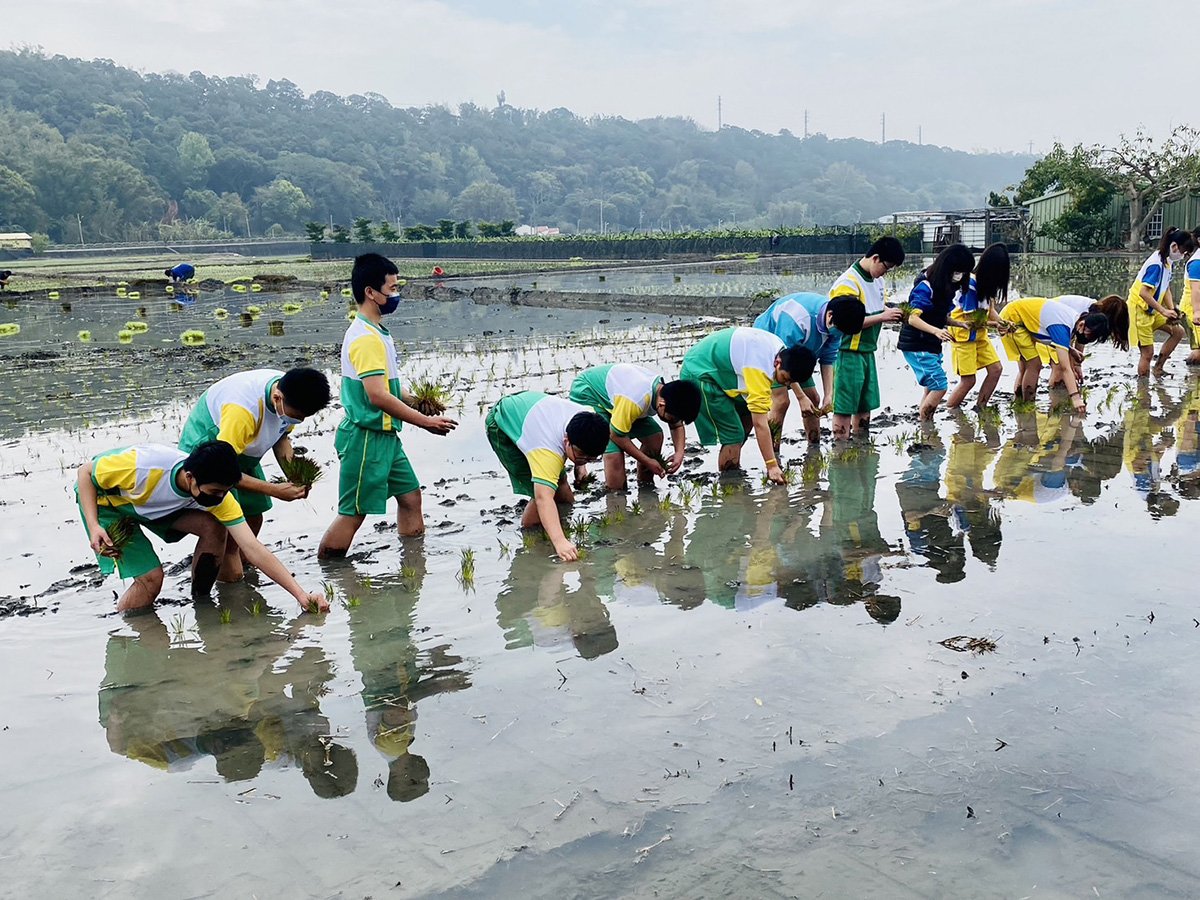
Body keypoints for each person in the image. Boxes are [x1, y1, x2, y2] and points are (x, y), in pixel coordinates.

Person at [75, 440, 328, 614]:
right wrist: (94, 524)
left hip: (152, 506)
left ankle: (201, 602)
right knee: (151, 579)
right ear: (190, 478)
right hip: (107, 504)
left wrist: (302, 596)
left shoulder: (220, 496)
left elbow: (251, 546)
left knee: (215, 527)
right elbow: (85, 473)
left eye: (225, 491)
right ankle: (125, 629)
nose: (219, 497)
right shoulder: (142, 467)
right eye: (214, 491)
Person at [318, 253, 457, 558]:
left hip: (385, 437)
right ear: (371, 292)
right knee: (354, 512)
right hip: (366, 437)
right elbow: (376, 396)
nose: (396, 295)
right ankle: (332, 571)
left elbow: (388, 386)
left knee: (410, 497)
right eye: (392, 289)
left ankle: (413, 562)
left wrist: (418, 402)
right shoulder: (365, 338)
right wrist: (425, 422)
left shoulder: (378, 333)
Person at [179, 367, 331, 581]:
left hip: (243, 451)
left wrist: (295, 475)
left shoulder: (291, 392)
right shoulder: (242, 411)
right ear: (277, 397)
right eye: (297, 417)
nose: (299, 421)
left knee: (253, 517)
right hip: (210, 458)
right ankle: (228, 584)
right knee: (229, 532)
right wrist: (274, 490)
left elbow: (281, 438)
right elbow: (221, 470)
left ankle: (241, 566)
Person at [678, 326, 817, 483]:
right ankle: (729, 486)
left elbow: (755, 417)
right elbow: (760, 423)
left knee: (746, 418)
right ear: (778, 363)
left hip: (722, 370)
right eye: (785, 378)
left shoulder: (781, 350)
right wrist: (771, 465)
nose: (785, 383)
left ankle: (733, 466)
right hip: (701, 374)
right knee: (733, 434)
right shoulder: (761, 369)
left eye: (790, 382)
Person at [485, 390, 610, 562]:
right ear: (566, 441)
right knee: (537, 492)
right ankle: (531, 537)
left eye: (592, 458)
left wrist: (581, 465)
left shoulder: (590, 419)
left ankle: (562, 521)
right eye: (582, 455)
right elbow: (543, 498)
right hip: (503, 423)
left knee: (560, 482)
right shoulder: (546, 452)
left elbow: (585, 449)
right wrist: (560, 542)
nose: (586, 460)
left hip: (532, 409)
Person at [567, 364, 701, 491]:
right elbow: (616, 434)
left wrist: (679, 453)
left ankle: (645, 486)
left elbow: (676, 425)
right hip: (590, 394)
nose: (673, 422)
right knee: (614, 454)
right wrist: (647, 461)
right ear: (662, 404)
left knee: (655, 437)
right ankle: (615, 496)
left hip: (618, 403)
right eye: (671, 418)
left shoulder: (666, 395)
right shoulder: (636, 399)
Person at [752, 291, 865, 442]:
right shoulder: (797, 319)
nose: (839, 335)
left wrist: (829, 395)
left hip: (799, 355)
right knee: (781, 401)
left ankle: (814, 448)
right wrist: (800, 397)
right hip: (770, 353)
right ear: (830, 315)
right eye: (839, 331)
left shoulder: (838, 325)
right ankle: (774, 453)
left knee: (813, 399)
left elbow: (828, 359)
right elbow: (785, 361)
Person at [830, 236, 906, 439]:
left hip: (867, 351)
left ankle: (862, 450)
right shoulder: (848, 283)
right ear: (875, 258)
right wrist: (883, 316)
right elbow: (845, 323)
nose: (886, 272)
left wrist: (892, 312)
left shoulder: (878, 281)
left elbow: (880, 308)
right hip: (849, 352)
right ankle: (841, 450)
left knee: (865, 404)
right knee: (845, 407)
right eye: (886, 267)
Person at [898, 243, 974, 420]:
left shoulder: (945, 286)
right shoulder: (925, 286)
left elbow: (937, 315)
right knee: (940, 385)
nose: (961, 276)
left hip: (930, 343)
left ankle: (924, 425)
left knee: (932, 387)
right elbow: (912, 318)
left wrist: (957, 323)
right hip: (917, 343)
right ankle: (926, 425)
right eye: (959, 271)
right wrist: (936, 331)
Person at [999, 297, 1109, 413]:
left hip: (1021, 319)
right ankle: (1027, 407)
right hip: (1012, 320)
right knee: (1034, 364)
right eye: (1089, 336)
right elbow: (1065, 367)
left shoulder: (1073, 321)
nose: (1088, 339)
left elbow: (1049, 338)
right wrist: (1076, 398)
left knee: (1027, 366)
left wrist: (1071, 350)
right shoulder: (1062, 326)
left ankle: (1020, 405)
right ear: (1082, 325)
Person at [945, 243, 1009, 410]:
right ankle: (950, 412)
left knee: (996, 369)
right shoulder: (971, 285)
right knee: (968, 381)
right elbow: (971, 319)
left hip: (979, 336)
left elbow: (990, 310)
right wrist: (995, 325)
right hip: (964, 336)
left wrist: (1003, 322)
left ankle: (981, 407)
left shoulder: (988, 285)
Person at [1126, 226, 1194, 377]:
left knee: (1178, 331)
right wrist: (1163, 311)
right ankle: (1143, 390)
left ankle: (1158, 368)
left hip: (1152, 310)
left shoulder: (1167, 262)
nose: (1183, 256)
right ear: (1174, 246)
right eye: (1183, 252)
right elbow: (1144, 293)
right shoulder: (1156, 264)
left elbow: (1166, 287)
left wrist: (1173, 309)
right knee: (1147, 353)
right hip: (1139, 311)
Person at [1048, 294, 1129, 388]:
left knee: (1066, 372)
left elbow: (1081, 339)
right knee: (1060, 370)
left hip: (1054, 318)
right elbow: (1066, 346)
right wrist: (1070, 369)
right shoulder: (1089, 313)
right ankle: (1055, 399)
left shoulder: (1092, 311)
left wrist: (1077, 365)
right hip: (1050, 320)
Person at [1178, 225, 1200, 365]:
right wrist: (1197, 312)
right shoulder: (1197, 263)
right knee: (1198, 350)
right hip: (1193, 309)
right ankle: (1192, 381)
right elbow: (1196, 290)